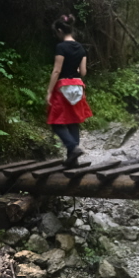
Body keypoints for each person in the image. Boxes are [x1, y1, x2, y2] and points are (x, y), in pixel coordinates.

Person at [46, 14, 93, 167]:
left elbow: (57, 71)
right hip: (78, 86)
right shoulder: (81, 47)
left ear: (60, 30)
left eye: (56, 32)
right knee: (73, 121)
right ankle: (73, 160)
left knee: (56, 122)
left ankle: (72, 148)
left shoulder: (61, 47)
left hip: (63, 87)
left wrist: (49, 91)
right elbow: (83, 72)